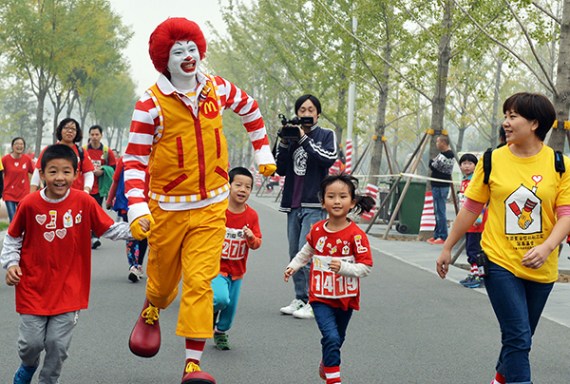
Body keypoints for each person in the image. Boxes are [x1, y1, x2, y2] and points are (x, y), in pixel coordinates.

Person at [123, 18, 276, 384]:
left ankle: (192, 364)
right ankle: (152, 306)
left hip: (211, 206)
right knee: (162, 283)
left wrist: (263, 152)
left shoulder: (216, 87)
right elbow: (133, 160)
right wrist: (138, 208)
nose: (188, 56)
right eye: (178, 51)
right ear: (164, 59)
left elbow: (251, 110)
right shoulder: (150, 104)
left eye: (192, 48)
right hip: (167, 209)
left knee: (200, 282)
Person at [436, 92, 570, 384]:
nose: (506, 122)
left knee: (521, 337)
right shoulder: (491, 160)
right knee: (518, 337)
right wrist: (447, 247)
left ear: (535, 123)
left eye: (513, 116)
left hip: (542, 265)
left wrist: (548, 248)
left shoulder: (561, 164)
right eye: (505, 115)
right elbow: (471, 209)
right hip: (499, 261)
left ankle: (500, 378)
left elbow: (566, 215)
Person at [1, 144, 142, 384]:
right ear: (42, 174)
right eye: (53, 171)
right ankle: (28, 364)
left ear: (76, 175)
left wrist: (138, 229)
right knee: (31, 344)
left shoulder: (83, 202)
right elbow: (12, 238)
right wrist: (12, 263)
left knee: (57, 345)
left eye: (66, 172)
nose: (59, 177)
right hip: (33, 287)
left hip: (69, 288)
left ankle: (48, 380)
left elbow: (109, 229)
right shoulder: (30, 203)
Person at [283, 174, 374, 384]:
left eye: (342, 196)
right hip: (320, 297)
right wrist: (293, 266)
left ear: (352, 203)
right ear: (322, 201)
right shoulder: (317, 230)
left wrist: (344, 267)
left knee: (338, 339)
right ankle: (334, 380)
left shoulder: (356, 235)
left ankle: (328, 364)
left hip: (346, 298)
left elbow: (366, 267)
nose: (336, 201)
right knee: (331, 338)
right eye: (331, 196)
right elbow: (307, 251)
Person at [276, 94, 337, 319]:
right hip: (293, 202)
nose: (306, 114)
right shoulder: (291, 136)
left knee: (307, 252)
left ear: (318, 114)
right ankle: (300, 298)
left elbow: (327, 158)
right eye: (302, 110)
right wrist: (283, 142)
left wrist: (303, 139)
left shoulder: (326, 135)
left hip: (314, 202)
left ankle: (314, 300)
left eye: (311, 109)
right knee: (295, 253)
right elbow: (279, 168)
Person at [212, 167, 262, 351]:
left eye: (247, 187)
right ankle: (209, 312)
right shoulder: (218, 211)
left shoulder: (251, 215)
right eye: (238, 185)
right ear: (228, 186)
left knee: (230, 307)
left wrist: (250, 238)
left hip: (238, 271)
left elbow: (257, 243)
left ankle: (221, 332)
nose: (243, 190)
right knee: (220, 299)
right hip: (216, 268)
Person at [106, 156, 149, 283]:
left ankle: (138, 264)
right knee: (131, 233)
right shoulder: (124, 160)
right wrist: (109, 199)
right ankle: (134, 266)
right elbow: (116, 180)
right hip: (127, 202)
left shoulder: (154, 159)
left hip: (147, 203)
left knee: (143, 234)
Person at [30, 118, 95, 194]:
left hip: (75, 196)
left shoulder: (81, 152)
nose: (70, 131)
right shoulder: (49, 150)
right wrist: (31, 194)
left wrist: (86, 191)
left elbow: (88, 173)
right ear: (60, 130)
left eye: (73, 129)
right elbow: (37, 171)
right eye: (66, 128)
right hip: (52, 194)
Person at [456, 153, 486, 288]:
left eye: (470, 163)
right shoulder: (465, 181)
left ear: (476, 166)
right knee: (470, 249)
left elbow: (479, 201)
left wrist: (477, 218)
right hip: (467, 221)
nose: (466, 166)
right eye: (464, 163)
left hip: (475, 222)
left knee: (474, 249)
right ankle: (474, 274)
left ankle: (479, 276)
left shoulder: (475, 181)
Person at [85, 124, 117, 249]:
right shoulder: (84, 150)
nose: (94, 137)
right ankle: (85, 235)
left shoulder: (106, 151)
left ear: (101, 135)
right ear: (89, 135)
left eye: (97, 134)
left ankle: (95, 236)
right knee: (84, 212)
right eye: (92, 134)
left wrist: (103, 170)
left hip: (99, 187)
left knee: (96, 211)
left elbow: (114, 168)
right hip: (85, 187)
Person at [427, 134, 455, 245]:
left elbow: (434, 165)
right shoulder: (442, 155)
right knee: (436, 210)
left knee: (440, 211)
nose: (437, 144)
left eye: (438, 142)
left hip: (441, 185)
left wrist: (431, 163)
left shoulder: (447, 155)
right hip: (436, 184)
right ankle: (437, 234)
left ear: (443, 143)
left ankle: (443, 235)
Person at [2, 137, 33, 222]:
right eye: (17, 144)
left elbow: (35, 172)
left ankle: (22, 235)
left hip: (23, 193)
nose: (19, 146)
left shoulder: (27, 159)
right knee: (13, 219)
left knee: (23, 218)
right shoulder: (5, 159)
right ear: (12, 146)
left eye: (21, 144)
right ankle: (13, 235)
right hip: (9, 193)